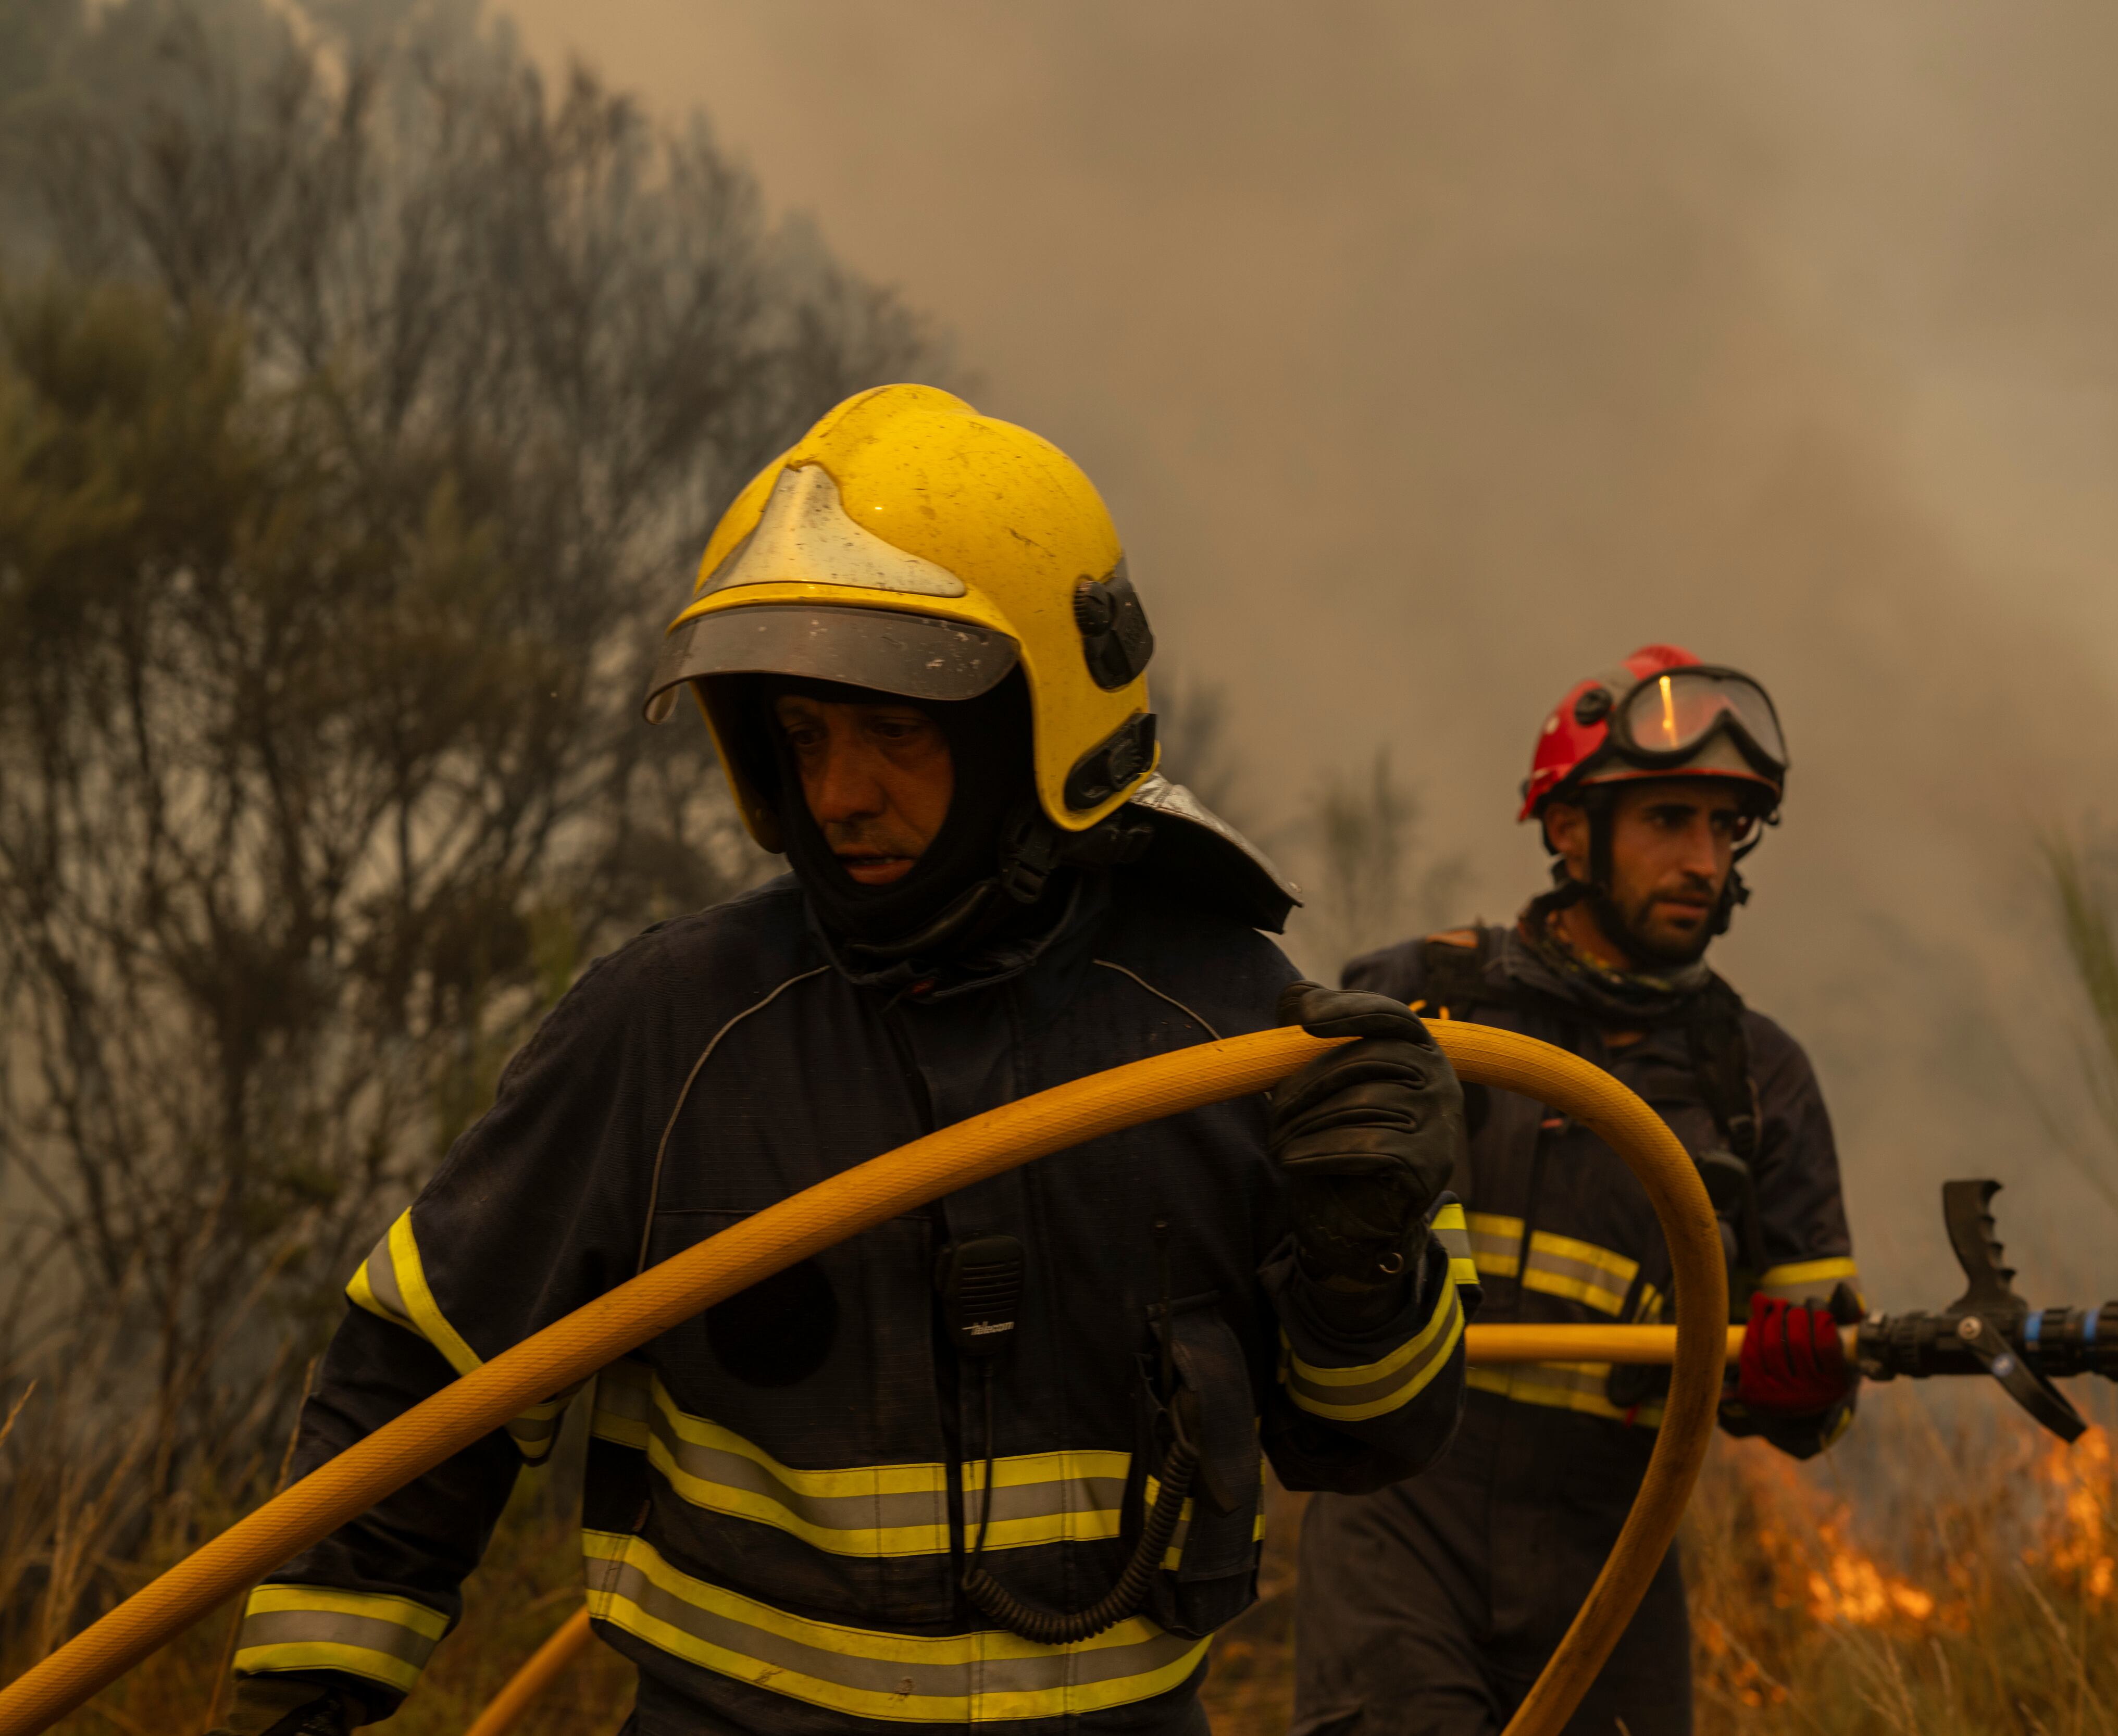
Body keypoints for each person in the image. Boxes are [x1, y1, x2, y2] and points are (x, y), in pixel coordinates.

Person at [214, 386, 1469, 1736]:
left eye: (897, 729)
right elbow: (421, 1382)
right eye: (804, 735)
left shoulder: (1224, 1026)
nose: (840, 794)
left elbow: (1366, 1435)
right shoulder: (674, 1027)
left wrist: (1366, 1269)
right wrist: (299, 1705)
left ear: (1035, 728)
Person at [1288, 644, 1858, 1736]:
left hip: (1616, 1542)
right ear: (1567, 828)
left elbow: (1824, 1383)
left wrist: (1800, 1383)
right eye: (1667, 820)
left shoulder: (1756, 1077)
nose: (1702, 858)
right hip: (1404, 1515)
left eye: (1723, 828)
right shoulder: (1417, 999)